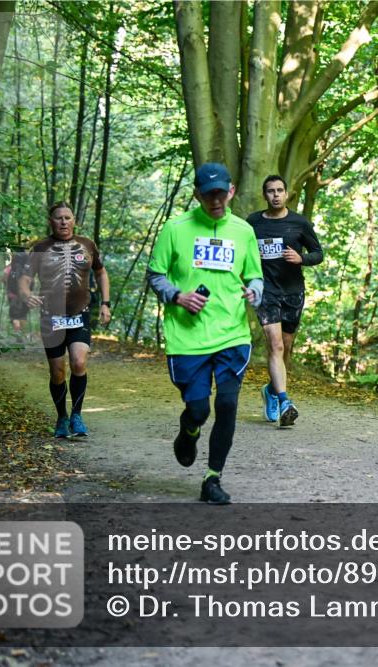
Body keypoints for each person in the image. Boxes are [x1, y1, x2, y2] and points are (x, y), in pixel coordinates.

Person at [146, 162, 264, 505]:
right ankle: (189, 430)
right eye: (207, 193)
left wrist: (255, 291)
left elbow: (255, 275)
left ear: (231, 192)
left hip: (232, 335)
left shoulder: (243, 231)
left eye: (220, 193)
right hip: (187, 337)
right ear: (197, 193)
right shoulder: (175, 228)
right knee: (198, 409)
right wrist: (178, 296)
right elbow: (155, 275)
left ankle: (213, 478)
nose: (215, 200)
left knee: (227, 404)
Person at [19, 202, 112, 438]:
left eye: (67, 217)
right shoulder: (40, 247)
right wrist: (26, 295)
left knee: (79, 362)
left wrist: (105, 302)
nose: (63, 222)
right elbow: (25, 278)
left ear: (74, 220)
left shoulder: (87, 244)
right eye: (58, 218)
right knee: (57, 372)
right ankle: (62, 417)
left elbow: (101, 272)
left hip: (79, 315)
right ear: (51, 221)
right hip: (51, 318)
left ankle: (77, 416)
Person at [246, 175, 324, 427]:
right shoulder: (253, 223)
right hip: (266, 291)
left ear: (287, 194)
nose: (276, 195)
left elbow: (318, 253)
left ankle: (270, 390)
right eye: (270, 191)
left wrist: (302, 259)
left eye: (280, 190)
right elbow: (242, 252)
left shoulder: (299, 223)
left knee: (286, 348)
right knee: (276, 346)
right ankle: (283, 400)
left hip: (293, 292)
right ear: (264, 194)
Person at [4, 249, 30, 333]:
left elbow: (3, 279)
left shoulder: (10, 268)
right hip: (25, 297)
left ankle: (17, 334)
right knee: (23, 316)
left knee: (14, 317)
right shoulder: (28, 270)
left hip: (12, 296)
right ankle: (22, 334)